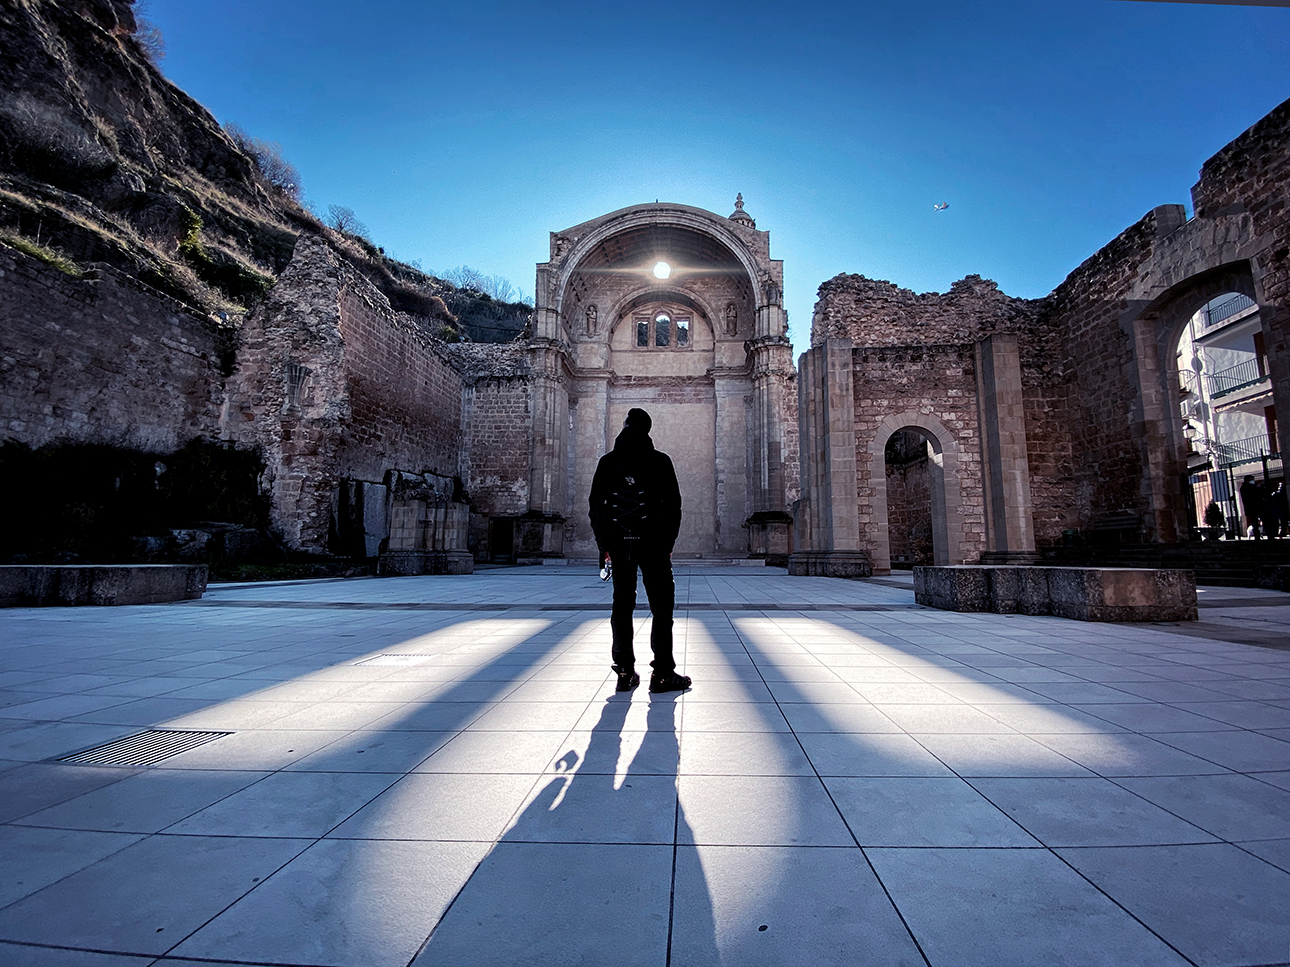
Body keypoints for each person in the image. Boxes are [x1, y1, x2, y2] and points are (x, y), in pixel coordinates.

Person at [589, 408, 691, 694]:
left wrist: (605, 546)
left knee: (622, 606)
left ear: (625, 426)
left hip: (619, 545)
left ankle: (624, 671)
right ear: (648, 430)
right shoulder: (660, 461)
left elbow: (596, 508)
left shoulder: (607, 462)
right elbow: (673, 507)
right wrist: (668, 545)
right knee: (662, 608)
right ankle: (662, 674)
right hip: (654, 544)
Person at [1239, 475, 1266, 540]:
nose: (1252, 481)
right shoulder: (1244, 488)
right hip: (1252, 508)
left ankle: (1267, 535)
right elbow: (1249, 496)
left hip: (1259, 506)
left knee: (1264, 520)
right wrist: (1257, 488)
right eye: (1251, 479)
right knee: (1255, 523)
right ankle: (1257, 537)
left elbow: (1261, 493)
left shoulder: (1255, 486)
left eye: (1253, 479)